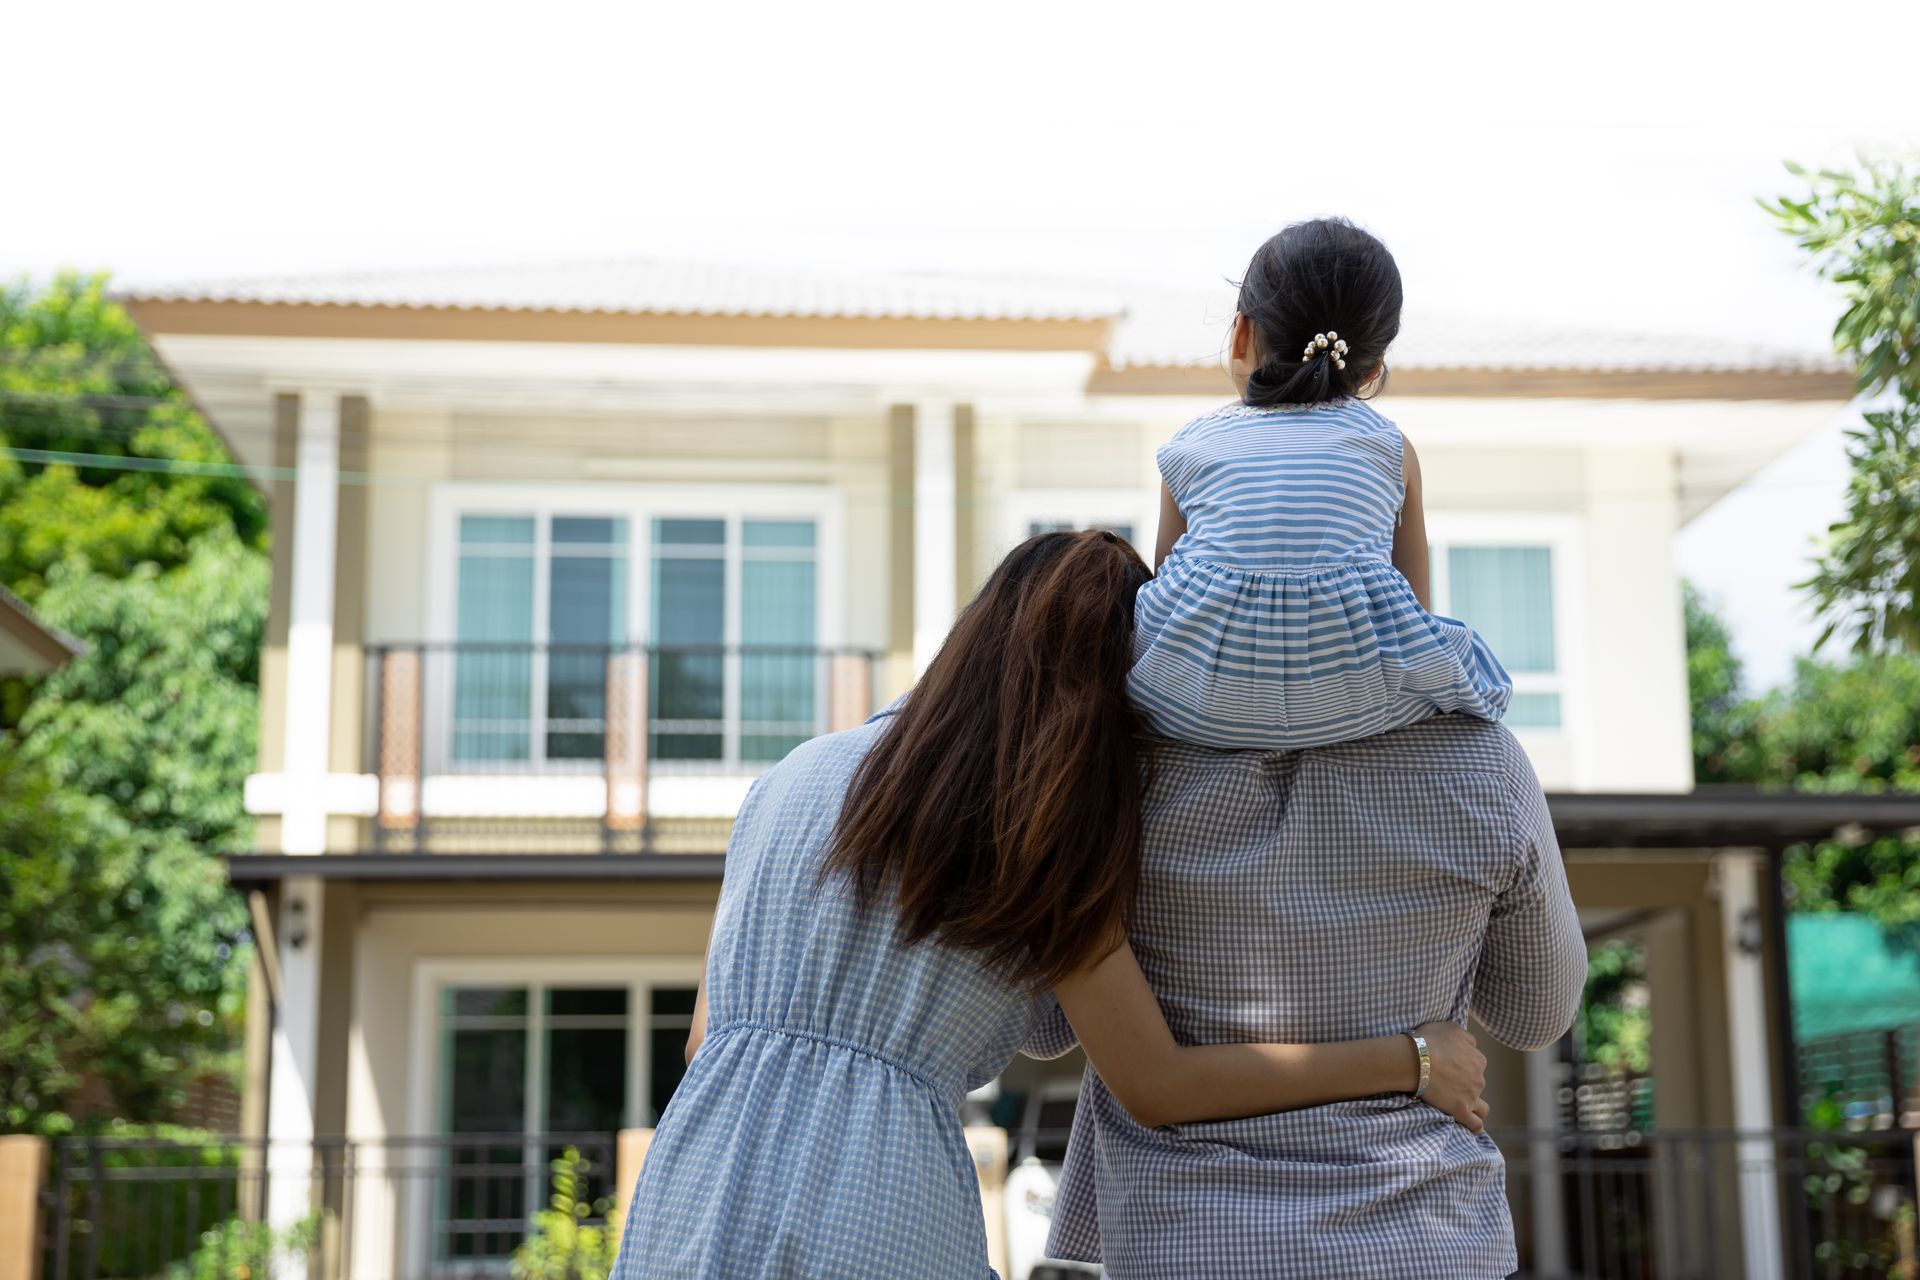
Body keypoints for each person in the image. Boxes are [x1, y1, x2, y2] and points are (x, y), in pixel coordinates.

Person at [609, 531, 1491, 1280]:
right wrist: (1413, 1058)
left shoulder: (791, 776)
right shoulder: (1037, 827)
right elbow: (1158, 1084)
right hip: (877, 1207)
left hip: (689, 1195)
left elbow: (702, 1040)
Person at [1031, 222, 1589, 1277]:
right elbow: (1536, 1009)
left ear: (1241, 333)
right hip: (1425, 1243)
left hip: (1189, 1245)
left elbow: (1049, 1026)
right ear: (1376, 365)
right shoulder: (1484, 769)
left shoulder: (1111, 779)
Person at [1129, 216, 1512, 749]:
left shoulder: (1191, 446)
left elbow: (1166, 593)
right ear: (1374, 366)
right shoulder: (1390, 447)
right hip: (1358, 699)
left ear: (1240, 334)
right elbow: (1415, 608)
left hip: (1193, 704)